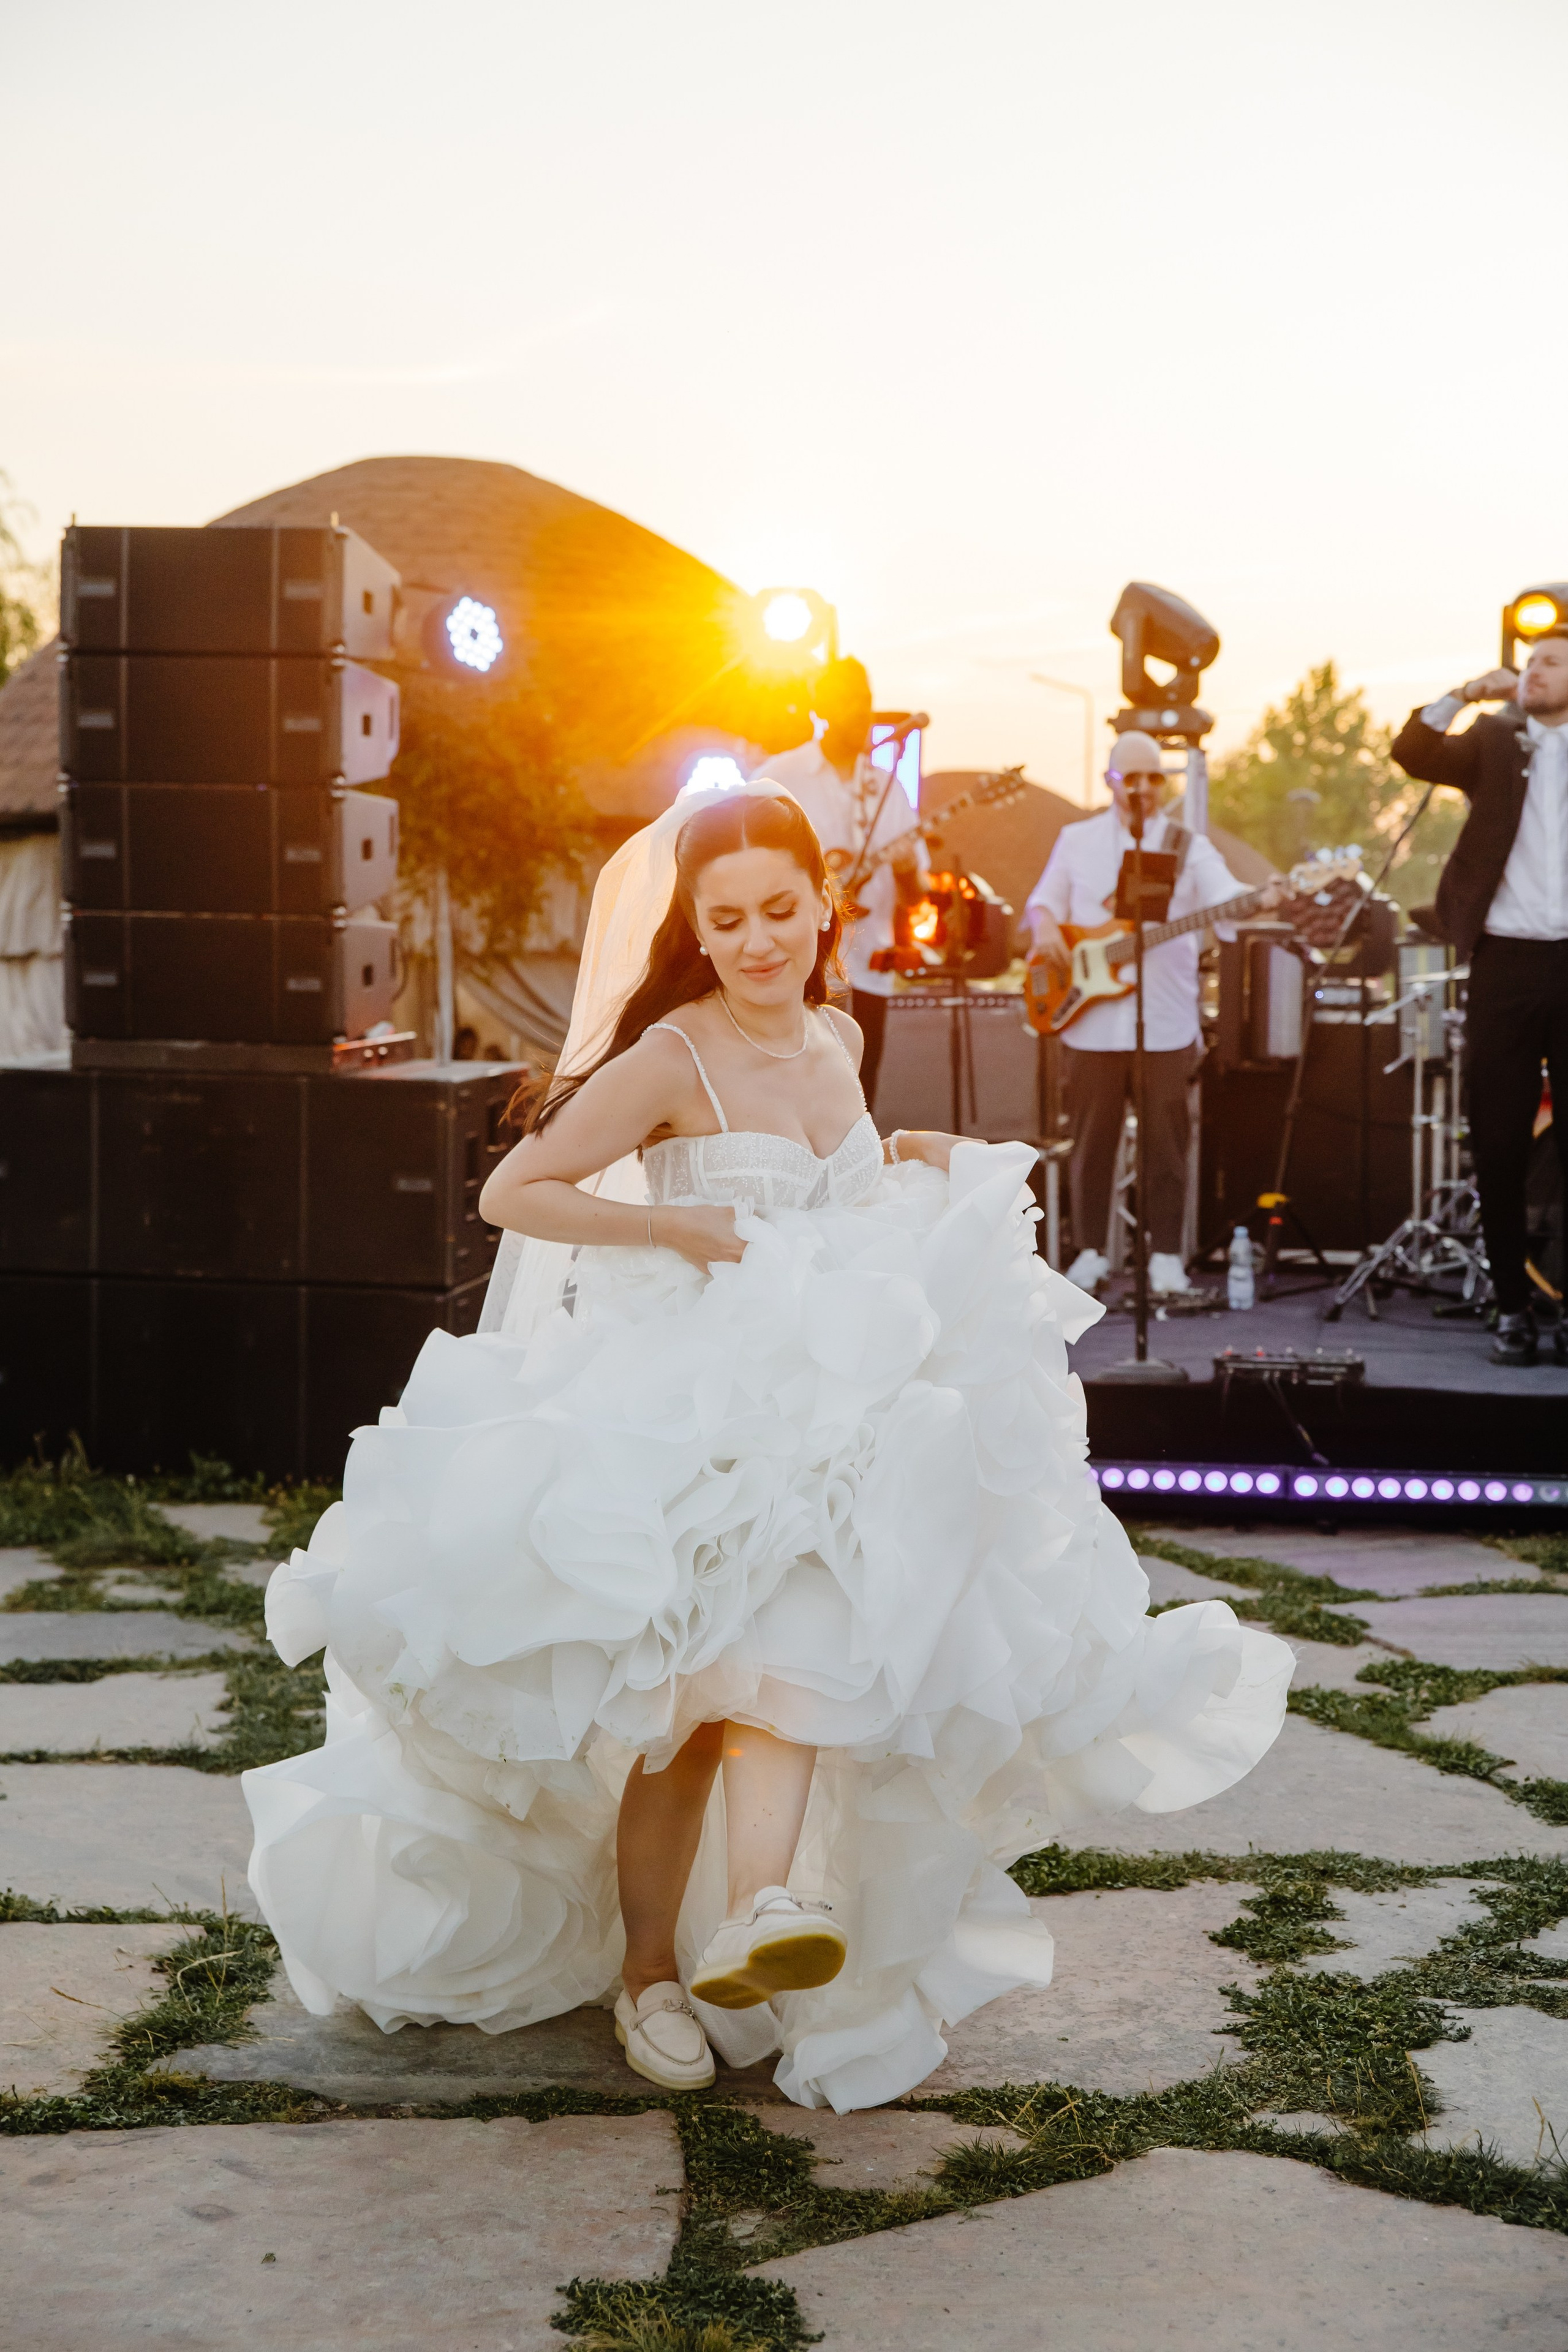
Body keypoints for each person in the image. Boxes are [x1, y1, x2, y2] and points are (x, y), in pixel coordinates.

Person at [244, 777, 1291, 2113]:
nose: (754, 942)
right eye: (726, 919)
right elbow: (518, 1190)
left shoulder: (838, 1037)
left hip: (817, 1411)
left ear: (822, 907)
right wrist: (670, 1225)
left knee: (793, 1661)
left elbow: (834, 1192)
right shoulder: (670, 1054)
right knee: (684, 1724)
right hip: (686, 1405)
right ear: (695, 924)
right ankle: (643, 1978)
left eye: (777, 912)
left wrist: (920, 1151)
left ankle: (759, 1912)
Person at [1024, 731, 1259, 1297]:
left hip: (1166, 1020)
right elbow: (1042, 903)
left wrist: (1261, 897)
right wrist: (1049, 930)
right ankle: (1090, 1250)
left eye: (1155, 777)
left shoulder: (1188, 845)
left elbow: (1228, 897)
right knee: (1091, 1143)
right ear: (1112, 781)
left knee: (1167, 1145)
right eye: (1134, 777)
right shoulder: (1075, 839)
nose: (1145, 788)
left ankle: (1166, 1257)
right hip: (1088, 1020)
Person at [1392, 631, 1568, 1366]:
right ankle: (1511, 1309)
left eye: (1551, 662)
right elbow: (1414, 753)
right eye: (1528, 663)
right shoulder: (1495, 742)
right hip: (1503, 965)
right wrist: (1464, 694)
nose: (1533, 672)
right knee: (1496, 1143)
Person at [758, 658, 924, 1112]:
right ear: (821, 707)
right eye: (850, 701)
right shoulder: (780, 776)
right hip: (795, 964)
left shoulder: (888, 787)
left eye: (867, 701)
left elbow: (915, 899)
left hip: (869, 965)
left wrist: (909, 872)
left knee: (858, 1093)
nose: (862, 713)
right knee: (792, 1087)